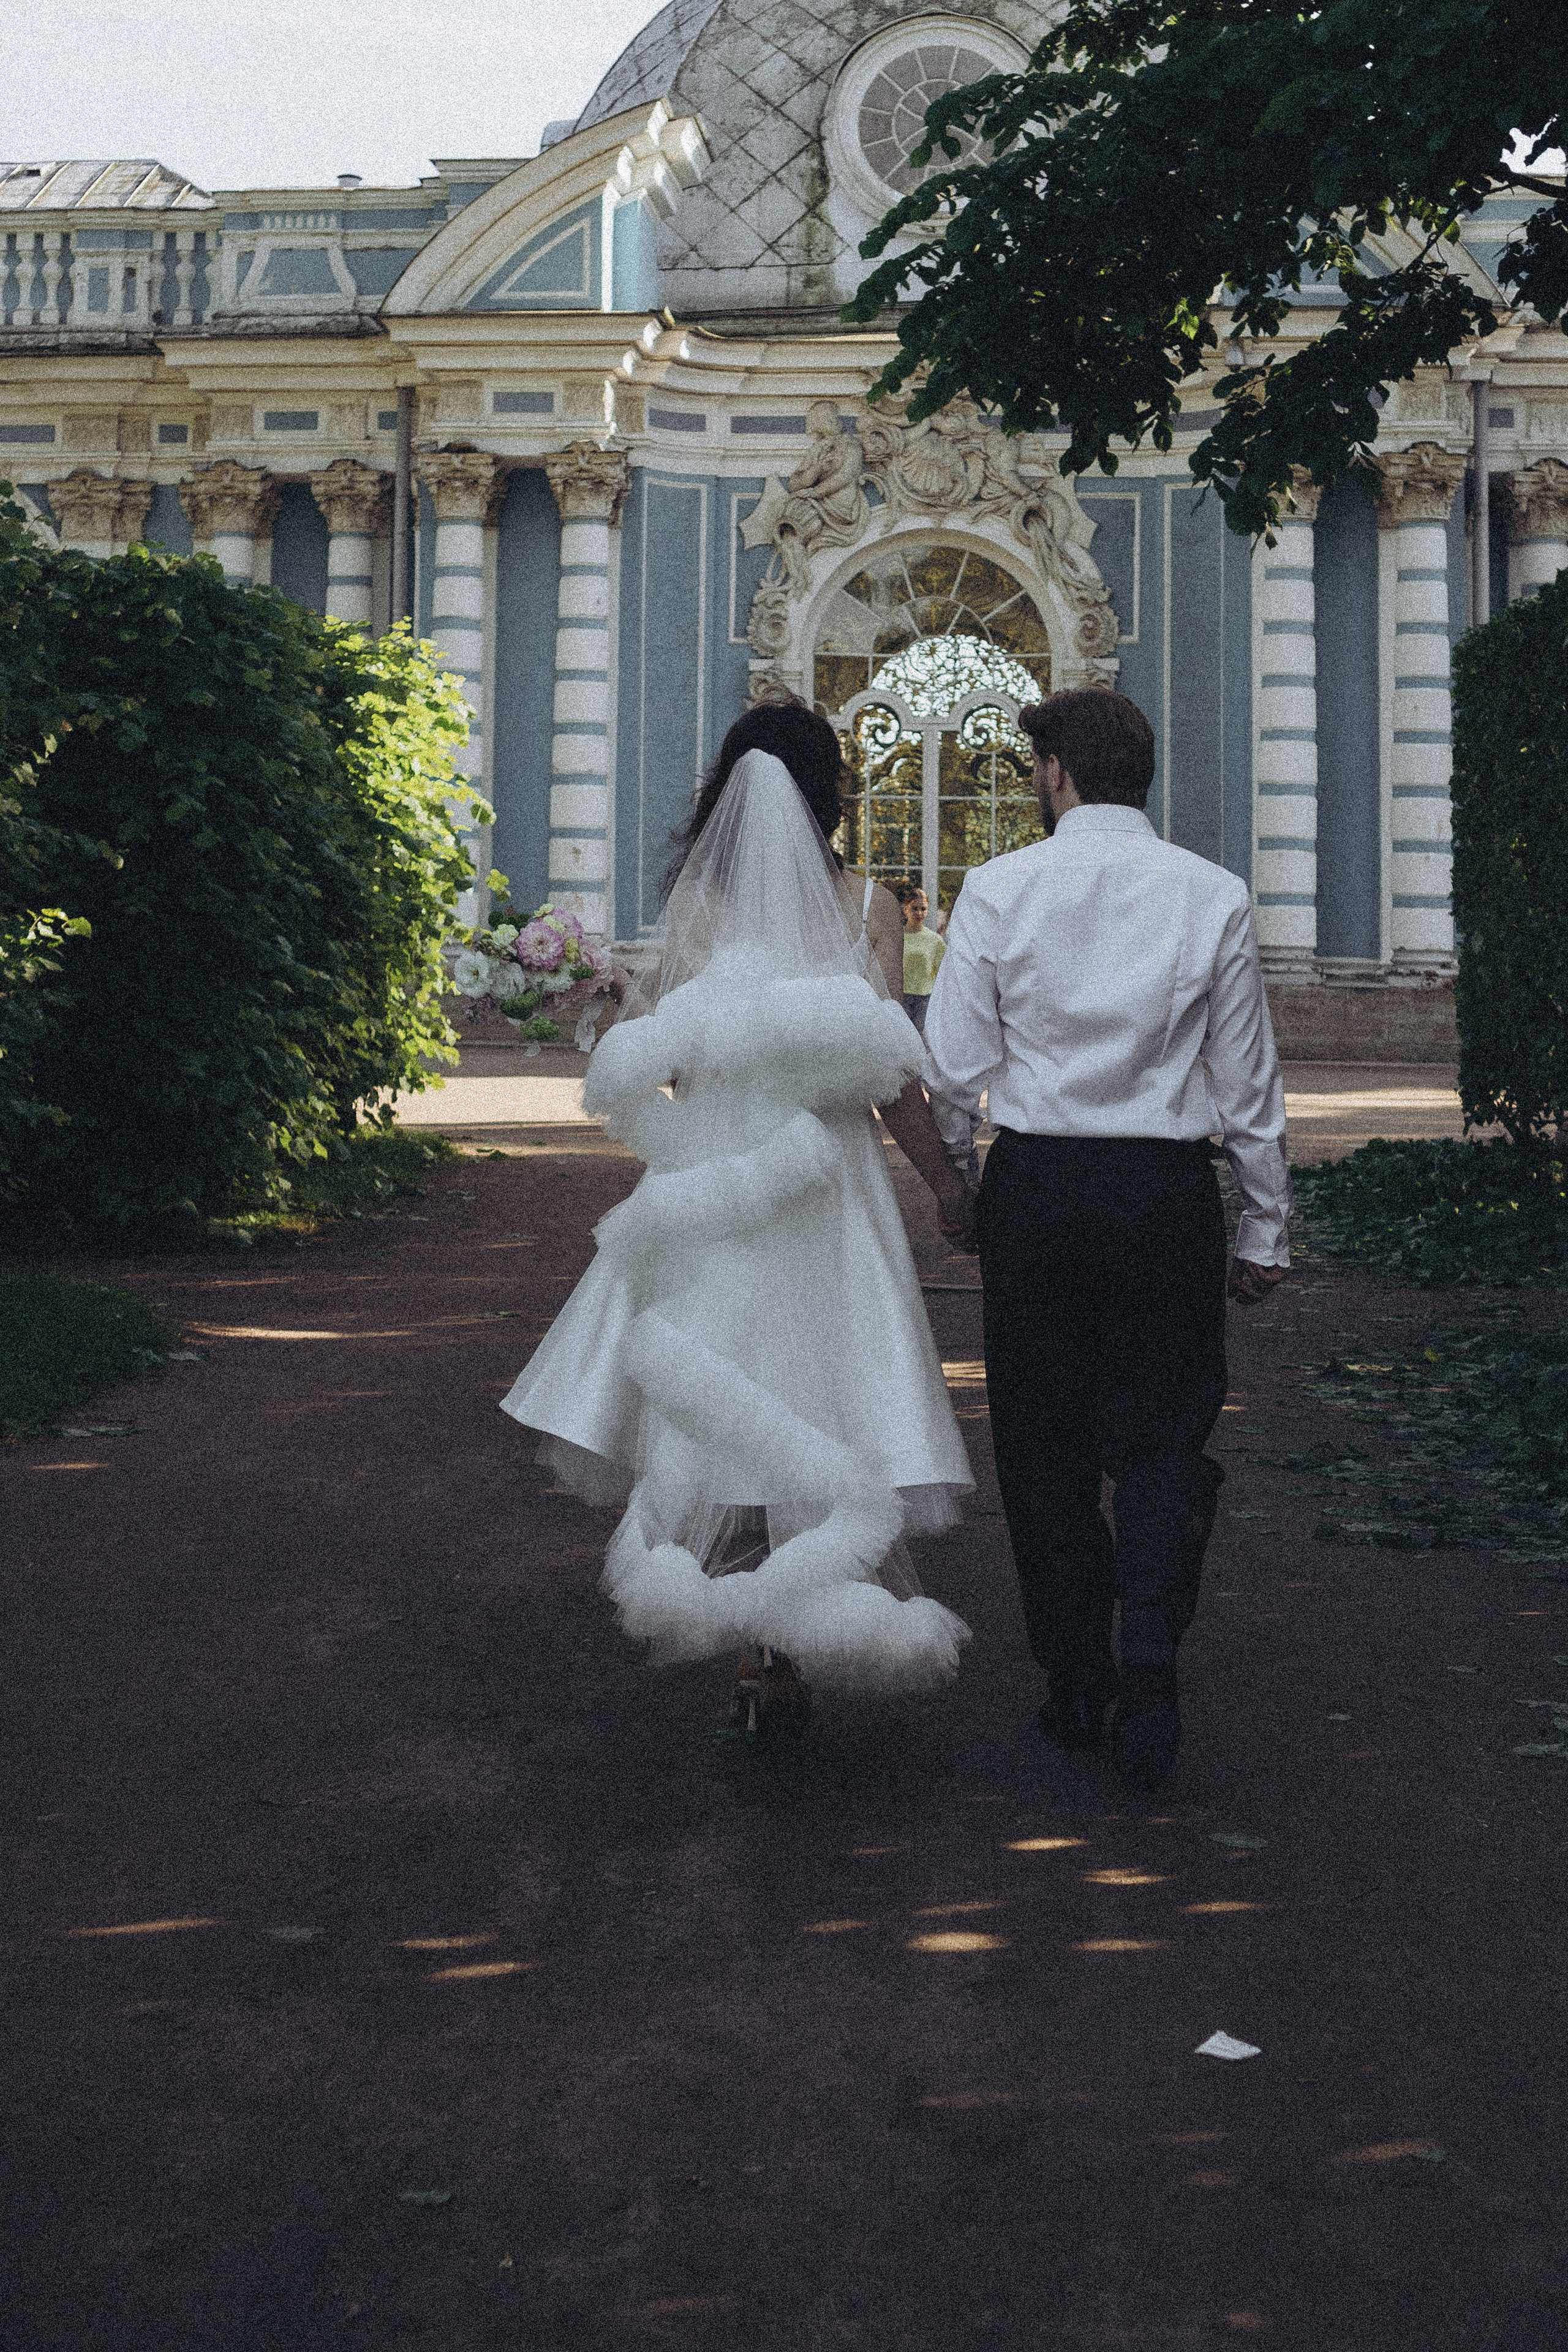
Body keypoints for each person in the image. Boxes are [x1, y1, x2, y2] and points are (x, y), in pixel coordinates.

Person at [500, 700, 977, 1732]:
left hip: (720, 1189)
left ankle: (762, 1649)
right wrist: (947, 1186)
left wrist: (611, 1003)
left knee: (729, 1405)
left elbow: (667, 1064)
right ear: (830, 791)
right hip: (830, 1195)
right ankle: (784, 1633)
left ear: (725, 789)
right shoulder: (868, 910)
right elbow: (895, 1083)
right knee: (824, 1404)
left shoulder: (699, 906)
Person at [922, 687, 1290, 1790]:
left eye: (1038, 768)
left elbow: (951, 1067)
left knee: (1042, 1449)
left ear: (1060, 775)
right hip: (1164, 1192)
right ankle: (1150, 1659)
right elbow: (1248, 1085)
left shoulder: (997, 889)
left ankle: (1076, 1683)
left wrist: (959, 1183)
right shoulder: (1213, 895)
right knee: (1166, 1433)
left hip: (1038, 1187)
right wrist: (1263, 1229)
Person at [895, 883, 946, 1036]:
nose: (919, 913)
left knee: (922, 1036)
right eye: (914, 908)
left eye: (923, 909)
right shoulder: (897, 938)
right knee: (902, 1036)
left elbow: (943, 972)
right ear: (906, 909)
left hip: (925, 997)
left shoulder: (935, 941)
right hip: (901, 996)